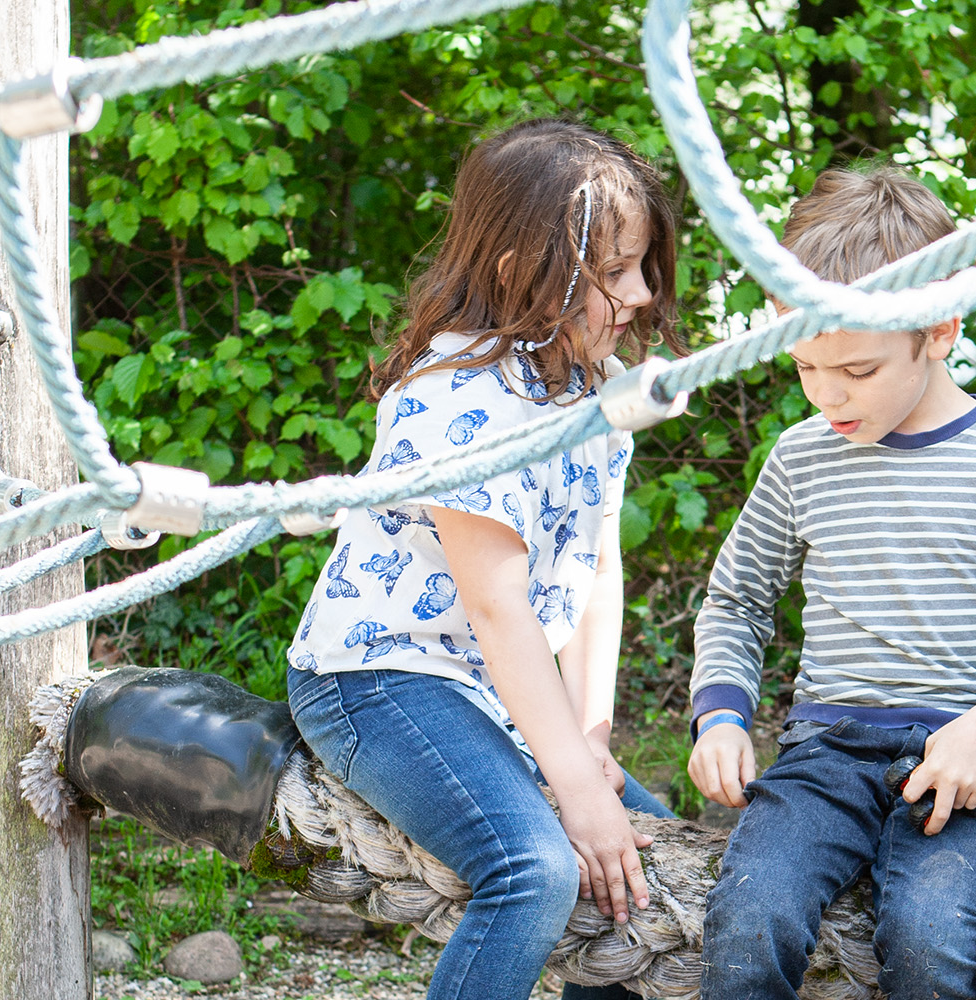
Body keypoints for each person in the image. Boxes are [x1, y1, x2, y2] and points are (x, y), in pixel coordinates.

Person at [283, 118, 686, 1000]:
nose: (643, 294)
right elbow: (501, 608)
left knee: (649, 862)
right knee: (535, 868)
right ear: (522, 279)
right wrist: (572, 789)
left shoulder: (589, 386)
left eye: (643, 267)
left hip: (493, 690)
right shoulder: (457, 395)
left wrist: (590, 743)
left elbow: (596, 569)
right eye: (615, 274)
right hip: (379, 680)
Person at [686, 163, 976, 1000]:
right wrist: (721, 714)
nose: (828, 394)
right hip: (827, 753)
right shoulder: (801, 456)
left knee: (927, 939)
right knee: (749, 920)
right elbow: (736, 599)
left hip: (970, 763)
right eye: (805, 367)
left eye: (859, 371)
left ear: (939, 330)